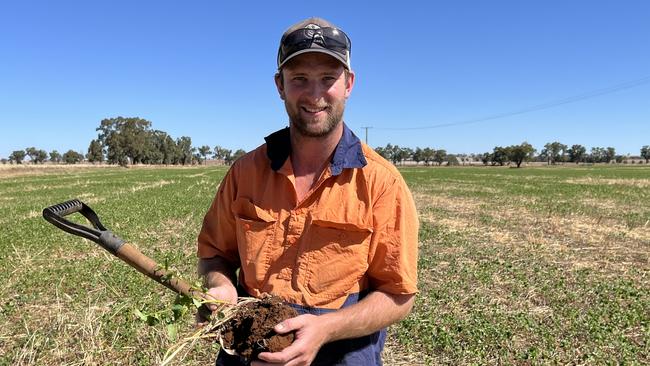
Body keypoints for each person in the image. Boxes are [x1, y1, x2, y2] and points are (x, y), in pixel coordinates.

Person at [197, 17, 419, 366]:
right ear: (280, 85)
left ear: (349, 84)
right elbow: (214, 254)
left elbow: (398, 294)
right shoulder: (245, 173)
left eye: (328, 79)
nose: (315, 95)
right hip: (250, 348)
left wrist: (326, 328)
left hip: (340, 351)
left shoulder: (381, 182)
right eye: (299, 79)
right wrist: (222, 286)